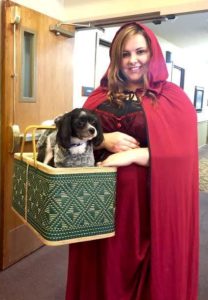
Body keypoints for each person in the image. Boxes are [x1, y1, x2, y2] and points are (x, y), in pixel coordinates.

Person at [65, 22, 199, 300]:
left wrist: (135, 155)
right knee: (104, 270)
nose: (133, 60)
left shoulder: (173, 97)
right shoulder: (98, 96)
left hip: (149, 206)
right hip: (100, 201)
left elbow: (184, 154)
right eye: (125, 54)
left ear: (153, 54)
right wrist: (104, 140)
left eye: (140, 51)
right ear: (116, 58)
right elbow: (71, 138)